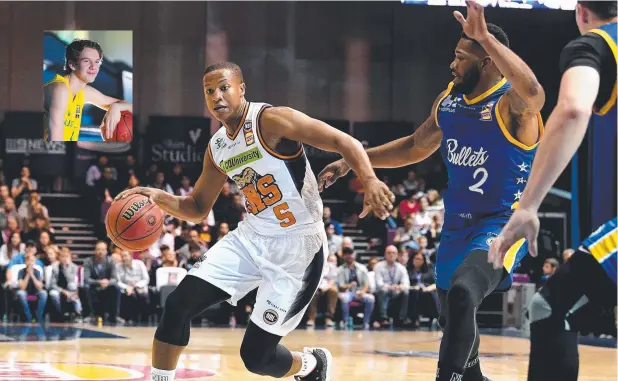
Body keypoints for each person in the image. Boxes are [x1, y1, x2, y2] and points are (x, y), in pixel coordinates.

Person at [116, 61, 394, 381]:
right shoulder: (218, 147)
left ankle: (312, 364)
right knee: (177, 305)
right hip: (251, 238)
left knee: (257, 357)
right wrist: (159, 198)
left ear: (241, 89)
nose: (217, 96)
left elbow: (345, 142)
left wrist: (370, 180)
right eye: (209, 91)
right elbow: (196, 207)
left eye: (224, 87)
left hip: (298, 247)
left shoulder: (272, 120)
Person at [318, 1, 544, 379]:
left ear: (487, 61)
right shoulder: (450, 100)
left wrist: (485, 36)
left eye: (460, 57)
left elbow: (535, 92)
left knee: (463, 294)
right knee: (452, 316)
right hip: (456, 226)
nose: (452, 65)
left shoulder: (511, 105)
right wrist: (352, 161)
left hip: (502, 225)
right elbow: (413, 147)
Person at [488, 2, 617, 380]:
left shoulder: (595, 44)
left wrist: (527, 205)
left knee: (551, 307)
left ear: (580, 11)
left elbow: (574, 108)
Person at [43, 39, 132, 141]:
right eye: (86, 61)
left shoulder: (84, 92)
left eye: (97, 62)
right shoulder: (60, 89)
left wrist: (116, 107)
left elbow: (130, 107)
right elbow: (55, 141)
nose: (94, 67)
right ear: (72, 65)